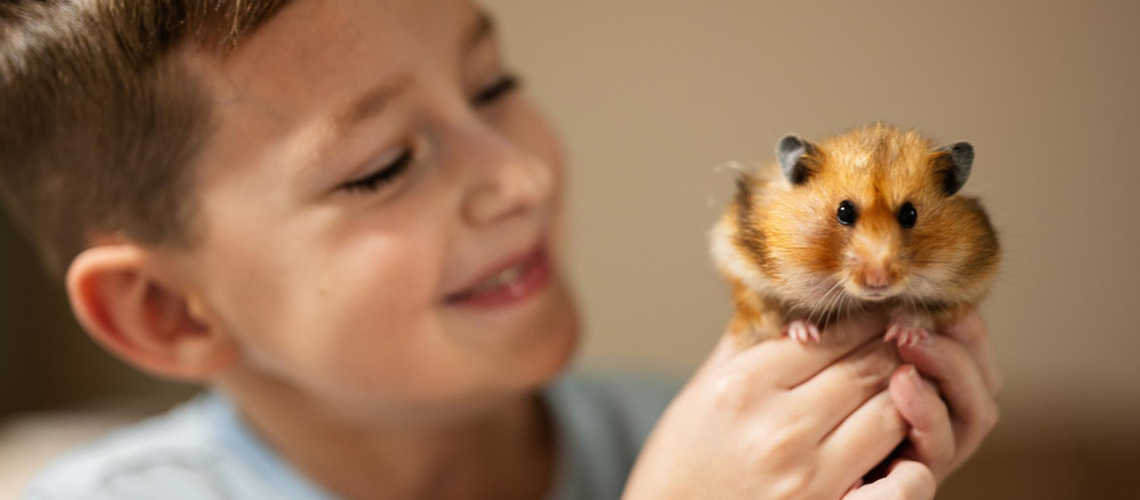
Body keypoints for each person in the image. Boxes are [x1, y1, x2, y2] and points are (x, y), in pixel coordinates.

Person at [0, 1, 1001, 499]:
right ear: (168, 311)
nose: (521, 175)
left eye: (490, 86)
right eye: (382, 163)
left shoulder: (698, 431)